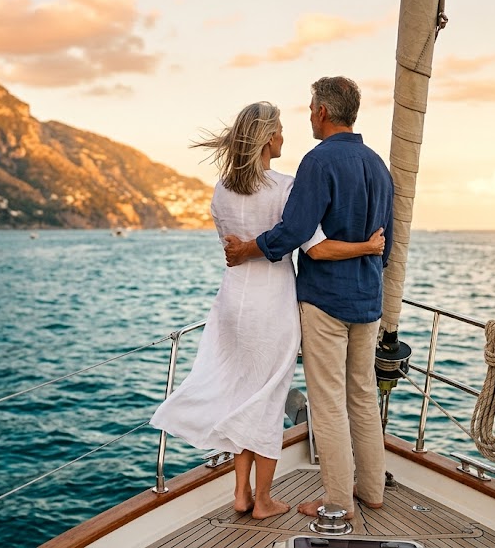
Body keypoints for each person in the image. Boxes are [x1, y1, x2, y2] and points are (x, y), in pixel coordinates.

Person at [150, 101, 384, 520]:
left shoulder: (222, 189)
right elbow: (313, 245)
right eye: (278, 130)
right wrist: (368, 247)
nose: (283, 136)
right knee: (269, 399)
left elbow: (231, 247)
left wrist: (245, 249)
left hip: (231, 304)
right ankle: (263, 501)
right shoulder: (285, 187)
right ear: (266, 138)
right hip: (272, 305)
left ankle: (240, 494)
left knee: (243, 394)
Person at [223, 76, 394, 520]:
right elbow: (387, 245)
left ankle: (338, 500)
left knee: (329, 401)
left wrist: (249, 249)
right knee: (362, 395)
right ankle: (372, 491)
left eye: (310, 108)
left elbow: (297, 231)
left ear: (322, 111)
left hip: (325, 301)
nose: (308, 116)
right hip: (368, 300)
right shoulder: (378, 165)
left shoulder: (318, 162)